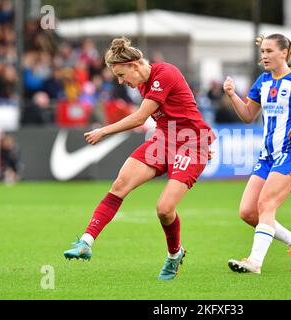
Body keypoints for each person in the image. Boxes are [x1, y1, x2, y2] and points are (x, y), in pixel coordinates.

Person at [63, 37, 215, 280]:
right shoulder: (142, 83)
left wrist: (103, 130)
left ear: (135, 65)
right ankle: (85, 242)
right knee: (119, 185)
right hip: (164, 140)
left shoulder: (164, 73)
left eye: (122, 75)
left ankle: (175, 255)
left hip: (191, 143)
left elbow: (139, 118)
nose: (122, 81)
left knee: (164, 209)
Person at [223, 34, 291, 274]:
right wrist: (232, 94)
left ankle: (255, 261)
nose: (264, 56)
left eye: (269, 51)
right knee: (247, 212)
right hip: (267, 156)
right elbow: (247, 115)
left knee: (266, 204)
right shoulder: (262, 82)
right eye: (262, 51)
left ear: (284, 53)